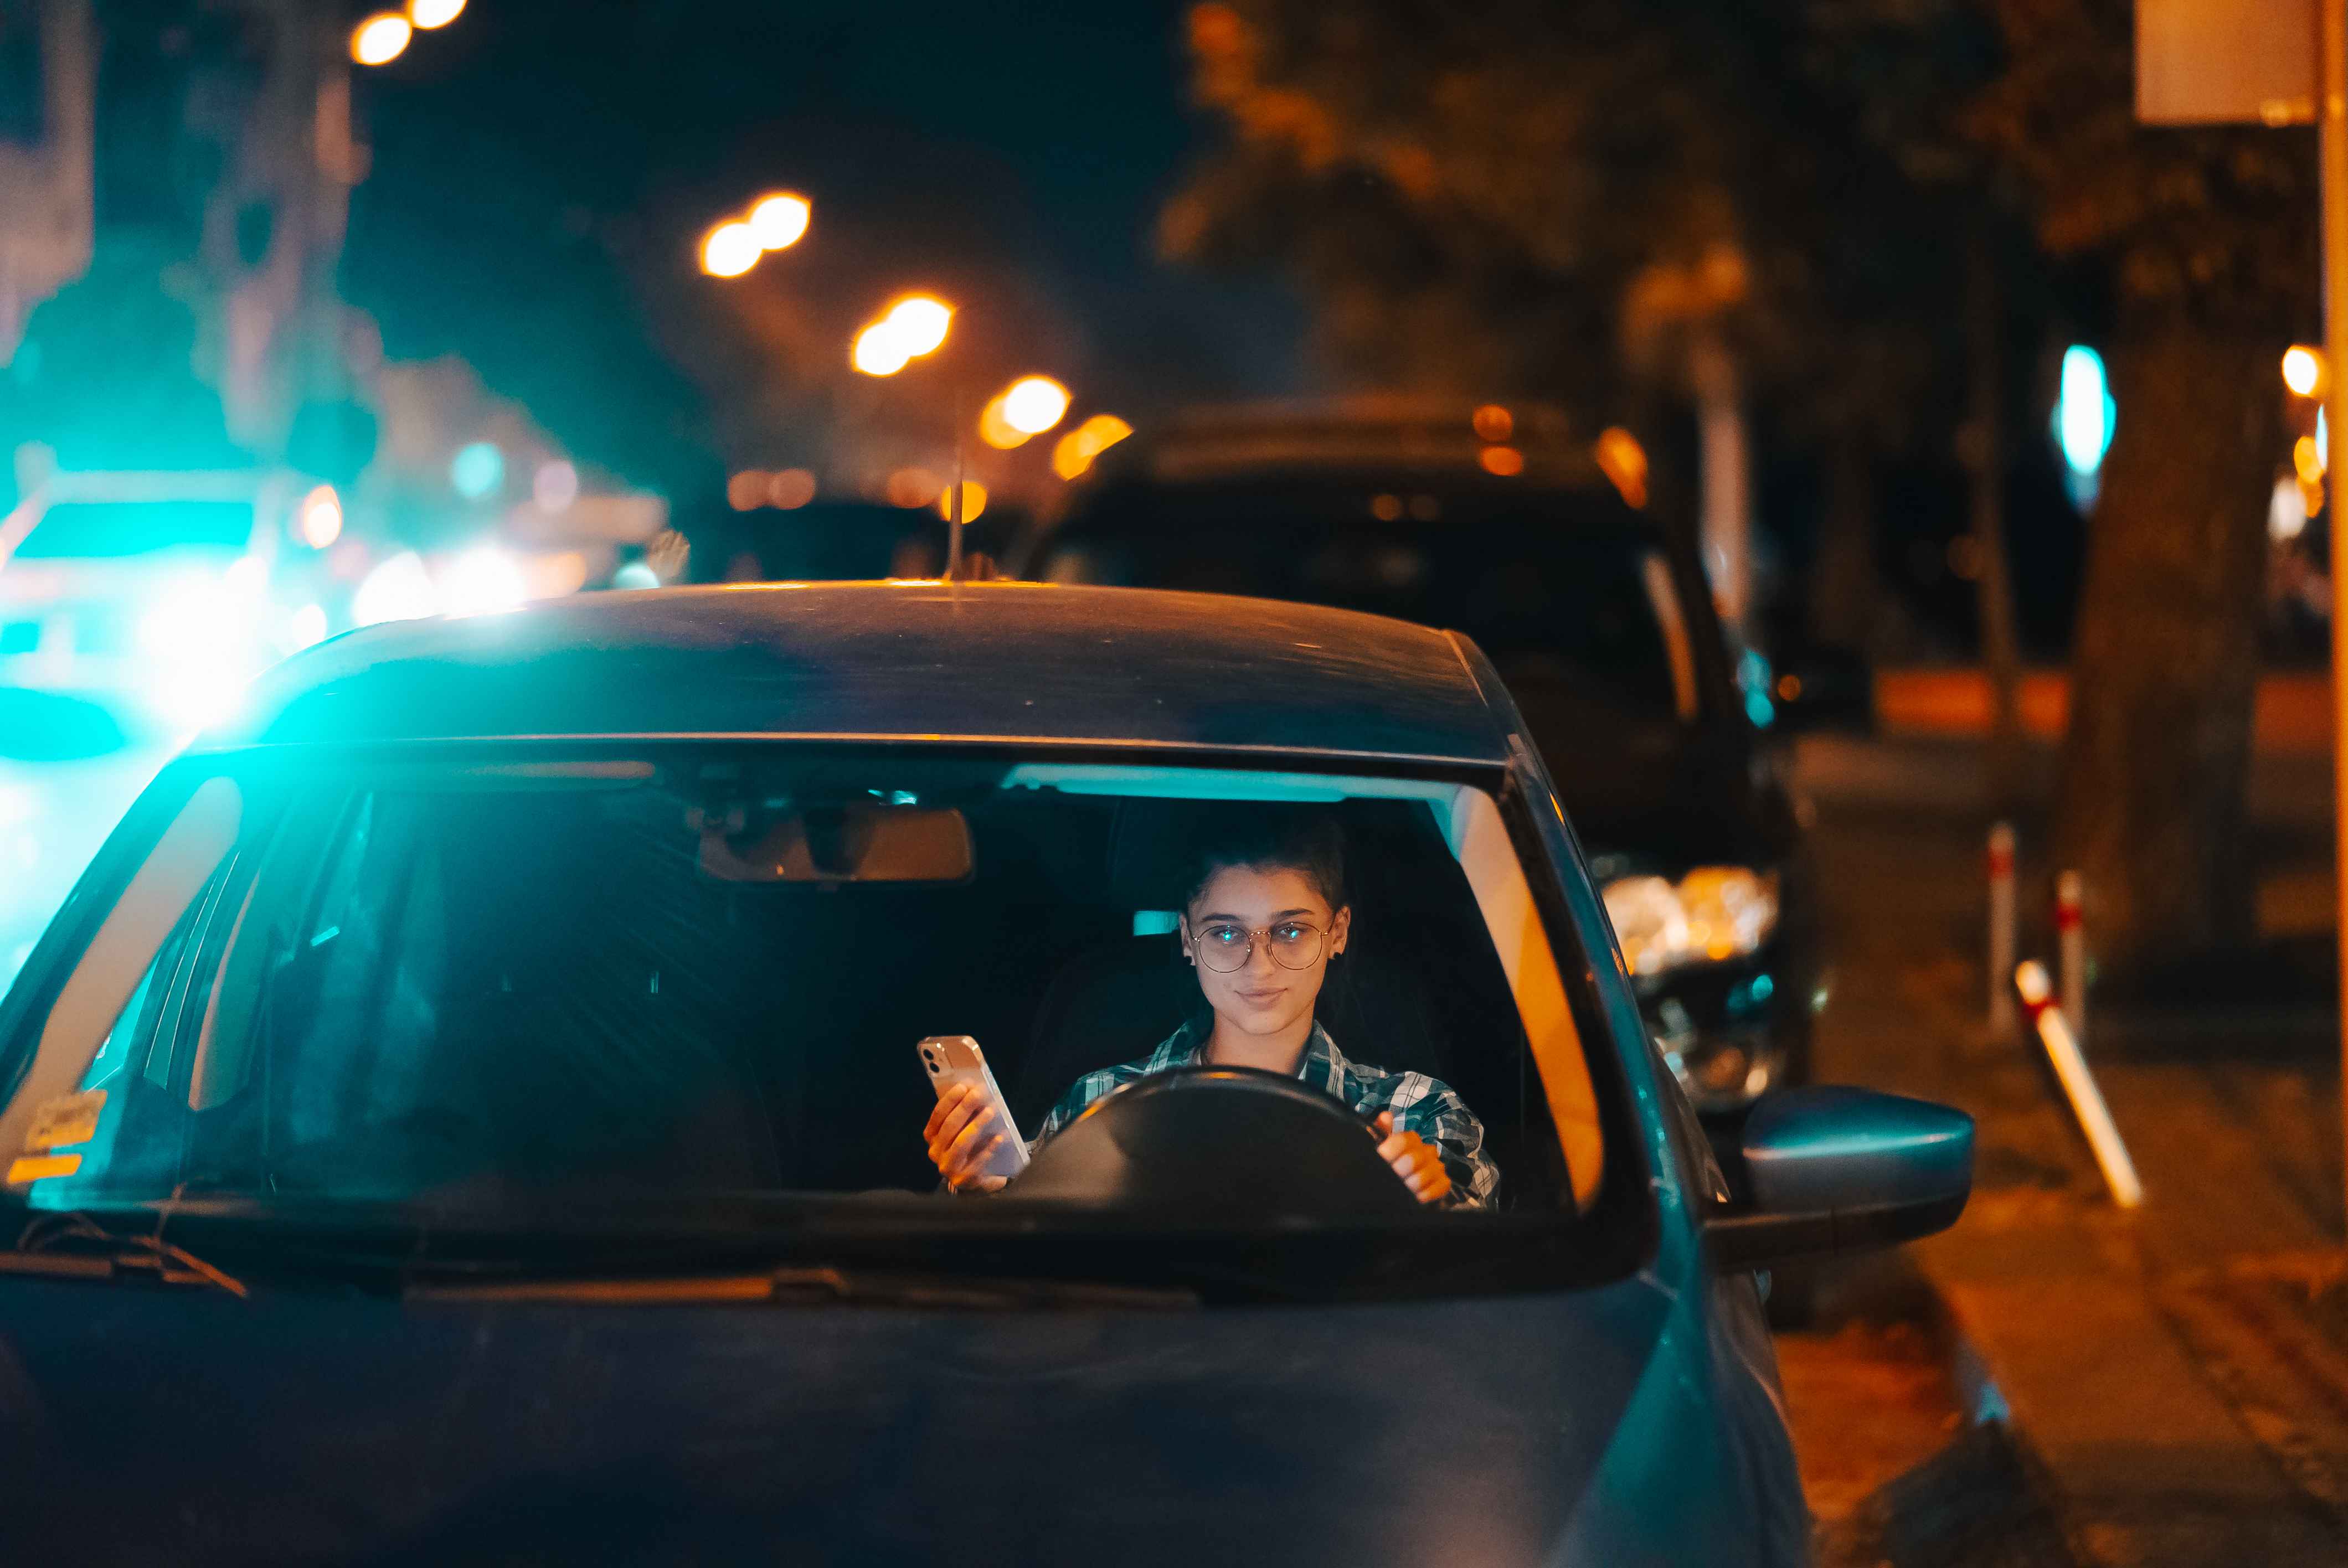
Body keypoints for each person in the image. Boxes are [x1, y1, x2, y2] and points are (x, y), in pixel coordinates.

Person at [923, 814, 1499, 1208]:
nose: (1261, 965)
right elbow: (1035, 1266)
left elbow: (1487, 1268)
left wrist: (1430, 1202)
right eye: (1226, 933)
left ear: (1337, 933)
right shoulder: (1096, 1101)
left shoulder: (1414, 1111)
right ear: (1186, 940)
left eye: (1291, 931)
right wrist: (980, 1193)